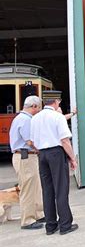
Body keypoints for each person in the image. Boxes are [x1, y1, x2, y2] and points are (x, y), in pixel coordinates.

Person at [30, 90, 78, 235]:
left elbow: (32, 142)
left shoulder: (35, 118)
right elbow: (64, 140)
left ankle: (50, 226)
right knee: (61, 189)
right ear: (56, 101)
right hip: (56, 154)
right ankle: (65, 225)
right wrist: (72, 158)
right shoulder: (58, 117)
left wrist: (42, 150)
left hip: (42, 155)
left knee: (47, 190)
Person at [8, 95, 45, 230]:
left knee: (35, 186)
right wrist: (43, 149)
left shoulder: (20, 118)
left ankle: (38, 213)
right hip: (26, 157)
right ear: (34, 107)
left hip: (26, 156)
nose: (39, 111)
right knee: (28, 189)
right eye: (39, 108)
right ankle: (28, 220)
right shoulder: (26, 120)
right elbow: (30, 141)